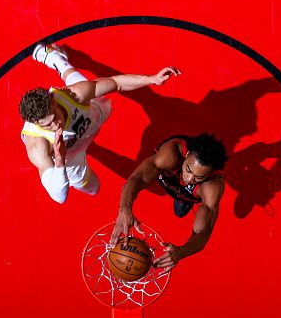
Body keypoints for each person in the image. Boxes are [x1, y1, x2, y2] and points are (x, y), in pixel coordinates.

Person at [19, 43, 180, 204]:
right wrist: (59, 159)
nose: (56, 126)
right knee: (94, 188)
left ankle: (55, 58)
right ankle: (55, 59)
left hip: (92, 117)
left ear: (54, 101)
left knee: (84, 85)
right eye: (47, 125)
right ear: (36, 124)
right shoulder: (38, 145)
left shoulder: (75, 94)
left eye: (55, 117)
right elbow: (59, 197)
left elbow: (116, 83)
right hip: (70, 157)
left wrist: (152, 79)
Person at [110, 133, 228, 273]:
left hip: (188, 193)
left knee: (181, 209)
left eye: (198, 177)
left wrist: (181, 252)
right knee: (153, 175)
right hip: (166, 175)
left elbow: (203, 232)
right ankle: (181, 194)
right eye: (188, 170)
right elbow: (138, 178)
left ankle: (182, 198)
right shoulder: (171, 154)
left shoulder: (212, 186)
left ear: (208, 175)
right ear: (187, 154)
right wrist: (124, 209)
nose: (190, 178)